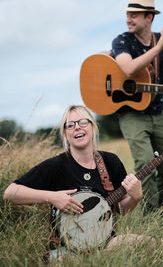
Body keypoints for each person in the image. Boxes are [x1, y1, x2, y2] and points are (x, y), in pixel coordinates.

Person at [3, 104, 150, 262]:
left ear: (92, 127)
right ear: (66, 134)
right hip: (65, 249)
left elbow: (121, 209)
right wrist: (52, 197)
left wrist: (135, 197)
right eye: (70, 125)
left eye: (83, 122)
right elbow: (10, 193)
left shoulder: (110, 162)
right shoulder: (56, 165)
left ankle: (98, 260)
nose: (77, 128)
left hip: (106, 245)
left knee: (150, 244)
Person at [111, 0, 163, 215]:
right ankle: (149, 219)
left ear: (149, 17)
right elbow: (127, 69)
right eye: (128, 14)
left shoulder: (161, 40)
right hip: (131, 114)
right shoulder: (122, 41)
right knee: (146, 165)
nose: (128, 19)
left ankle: (162, 217)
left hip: (160, 112)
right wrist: (158, 48)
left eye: (134, 15)